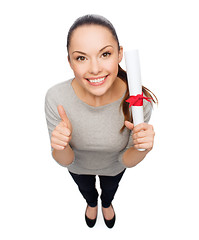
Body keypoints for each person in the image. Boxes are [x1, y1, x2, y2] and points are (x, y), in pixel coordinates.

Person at [45, 14, 157, 228]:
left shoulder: (138, 102)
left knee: (110, 190)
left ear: (119, 54)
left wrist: (143, 148)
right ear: (69, 61)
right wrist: (61, 144)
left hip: (114, 168)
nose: (95, 69)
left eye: (105, 54)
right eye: (81, 58)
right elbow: (64, 160)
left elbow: (127, 161)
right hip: (78, 167)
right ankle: (91, 203)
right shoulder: (56, 98)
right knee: (86, 190)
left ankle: (106, 203)